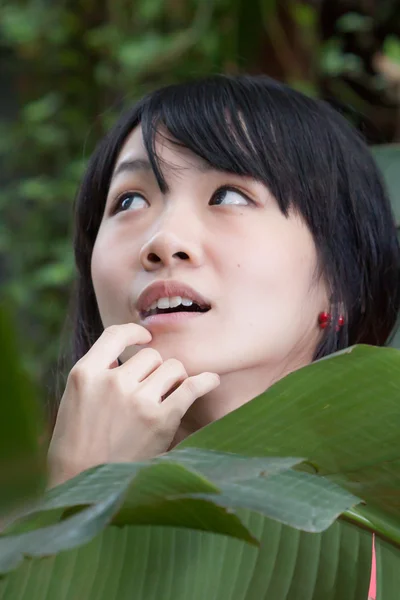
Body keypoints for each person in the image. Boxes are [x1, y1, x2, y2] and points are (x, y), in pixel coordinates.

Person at [47, 76, 400, 597]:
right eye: (127, 201)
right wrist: (77, 490)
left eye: (228, 194)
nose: (163, 240)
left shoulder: (373, 541)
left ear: (341, 280)